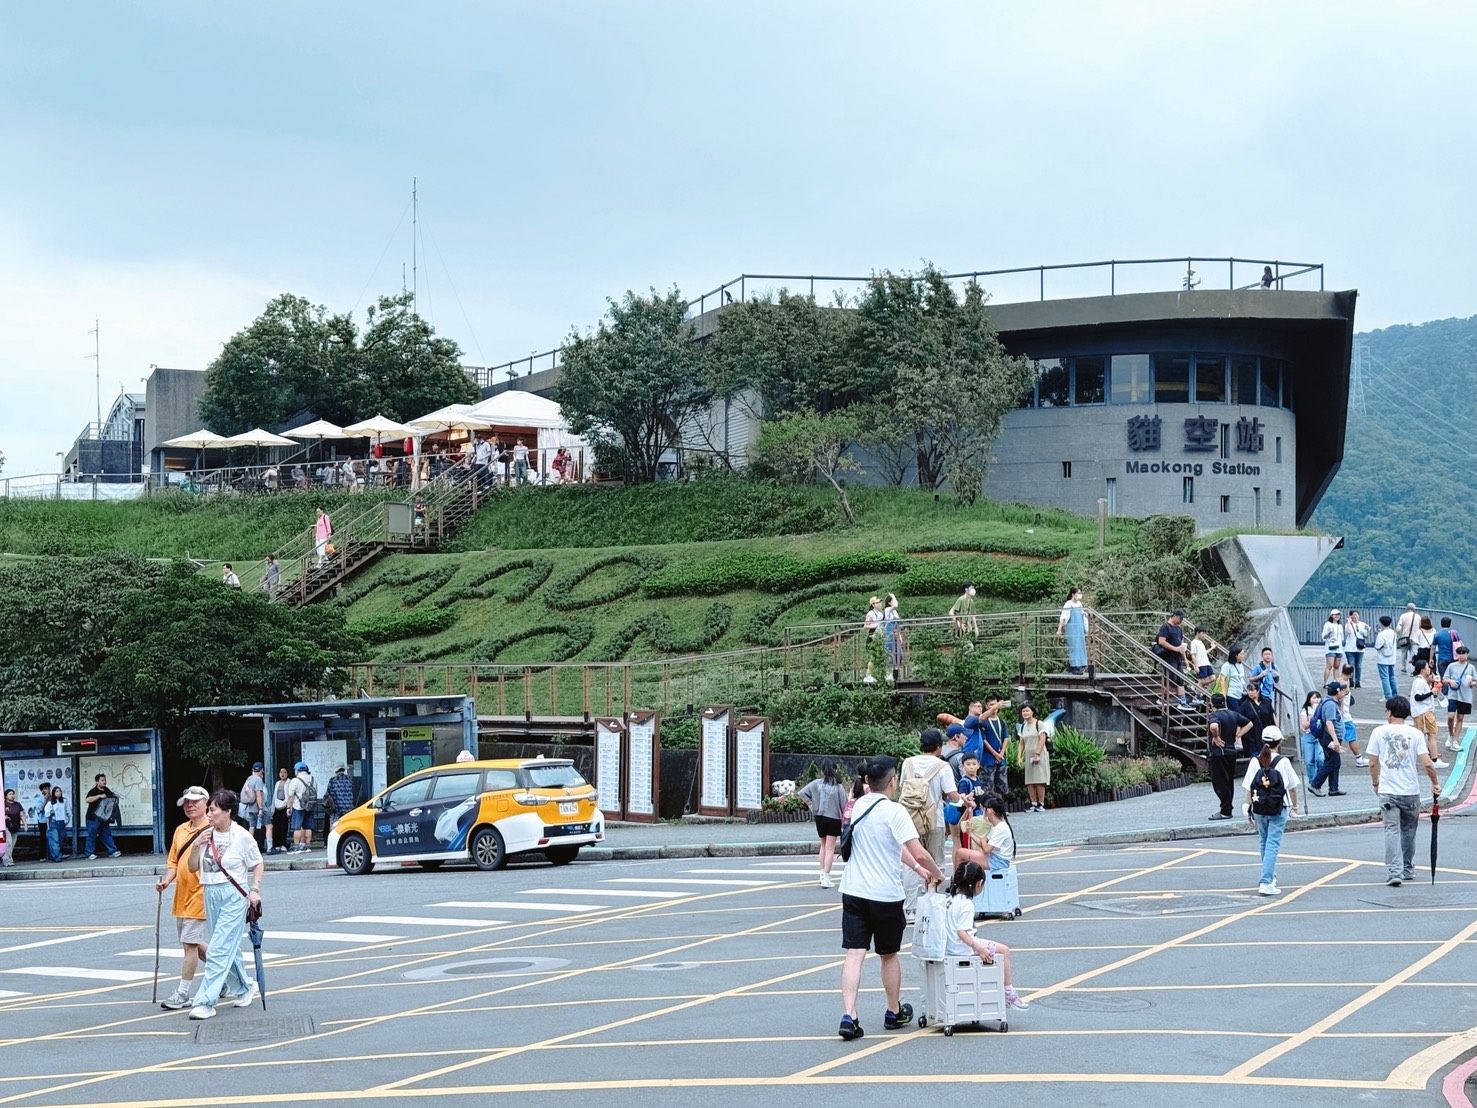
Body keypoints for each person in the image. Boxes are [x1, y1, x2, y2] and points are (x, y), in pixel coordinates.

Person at [836, 757, 946, 1041]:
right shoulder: (895, 811)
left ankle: (850, 1015)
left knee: (854, 953)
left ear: (867, 782)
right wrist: (935, 872)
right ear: (893, 782)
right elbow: (918, 849)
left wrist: (918, 869)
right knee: (888, 955)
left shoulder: (857, 806)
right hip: (884, 895)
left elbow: (892, 847)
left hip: (853, 891)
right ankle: (893, 1011)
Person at [185, 789, 264, 1020]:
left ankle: (205, 1001)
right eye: (208, 809)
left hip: (234, 894)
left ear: (227, 812)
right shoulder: (205, 835)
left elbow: (258, 863)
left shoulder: (241, 836)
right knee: (228, 946)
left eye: (212, 810)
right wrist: (196, 845)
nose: (208, 814)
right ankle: (244, 986)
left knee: (218, 948)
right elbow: (192, 867)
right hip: (210, 892)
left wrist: (255, 890)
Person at [1366, 695, 1440, 888]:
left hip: (1388, 790)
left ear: (1390, 713)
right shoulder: (1415, 734)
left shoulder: (1378, 732)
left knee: (1391, 829)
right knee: (1408, 831)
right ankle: (1407, 868)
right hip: (1410, 791)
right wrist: (1435, 784)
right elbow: (1427, 763)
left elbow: (1373, 763)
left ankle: (1394, 871)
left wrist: (1375, 783)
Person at [942, 860, 1029, 1011]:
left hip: (950, 946)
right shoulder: (967, 905)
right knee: (1004, 950)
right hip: (963, 948)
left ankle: (1008, 993)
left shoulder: (950, 900)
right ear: (979, 884)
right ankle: (1009, 992)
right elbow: (962, 932)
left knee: (995, 948)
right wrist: (980, 949)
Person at [155, 786, 213, 1010]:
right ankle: (227, 977)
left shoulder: (213, 829)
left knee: (189, 943)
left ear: (206, 803)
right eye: (186, 802)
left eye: (194, 802)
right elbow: (173, 861)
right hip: (182, 895)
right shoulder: (180, 830)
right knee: (194, 943)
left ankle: (182, 993)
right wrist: (167, 881)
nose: (189, 806)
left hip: (202, 893)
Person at [898, 730, 960, 920]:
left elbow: (903, 788)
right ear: (938, 747)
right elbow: (953, 796)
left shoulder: (908, 763)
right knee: (936, 862)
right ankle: (932, 902)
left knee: (911, 865)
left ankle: (909, 909)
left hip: (910, 821)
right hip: (935, 821)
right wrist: (963, 800)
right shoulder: (943, 766)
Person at [1243, 727, 1300, 896]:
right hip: (1278, 806)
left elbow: (1248, 787)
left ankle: (1270, 876)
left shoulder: (1255, 761)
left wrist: (1247, 808)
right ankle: (1266, 881)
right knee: (1272, 844)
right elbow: (1293, 788)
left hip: (1259, 807)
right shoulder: (1283, 762)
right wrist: (1294, 808)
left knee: (1264, 842)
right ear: (1279, 742)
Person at [798, 761, 847, 889]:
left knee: (823, 845)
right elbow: (844, 806)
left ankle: (822, 873)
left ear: (822, 771)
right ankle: (826, 875)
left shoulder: (816, 784)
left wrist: (810, 804)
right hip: (833, 818)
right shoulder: (838, 787)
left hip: (819, 816)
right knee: (830, 847)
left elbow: (801, 793)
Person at [1206, 694, 1252, 820]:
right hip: (1231, 751)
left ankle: (1225, 810)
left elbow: (1214, 726)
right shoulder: (1233, 714)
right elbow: (1249, 723)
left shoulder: (1214, 715)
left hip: (1219, 752)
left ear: (1212, 704)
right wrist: (1238, 735)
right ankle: (1227, 808)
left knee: (1220, 782)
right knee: (1228, 781)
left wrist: (1215, 736)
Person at [956, 795, 1016, 874]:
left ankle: (958, 882)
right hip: (995, 858)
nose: (983, 809)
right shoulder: (997, 825)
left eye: (985, 807)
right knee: (961, 853)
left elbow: (986, 849)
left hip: (999, 861)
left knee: (960, 853)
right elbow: (983, 841)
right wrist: (970, 833)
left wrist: (984, 842)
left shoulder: (1000, 828)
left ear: (990, 810)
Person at [1308, 682, 1348, 798]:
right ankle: (1315, 784)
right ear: (1337, 691)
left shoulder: (1329, 701)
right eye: (1341, 691)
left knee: (1335, 762)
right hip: (1329, 738)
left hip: (1330, 737)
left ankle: (1333, 788)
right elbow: (1329, 723)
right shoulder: (1330, 704)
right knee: (1331, 762)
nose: (1343, 693)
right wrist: (1335, 740)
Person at [968, 696, 1010, 798]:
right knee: (987, 785)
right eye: (992, 705)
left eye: (996, 704)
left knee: (1003, 785)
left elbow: (1006, 738)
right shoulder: (983, 721)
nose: (995, 707)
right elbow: (984, 740)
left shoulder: (1001, 721)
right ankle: (988, 807)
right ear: (986, 706)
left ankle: (1002, 808)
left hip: (1001, 758)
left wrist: (1001, 753)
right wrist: (995, 754)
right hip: (988, 759)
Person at [1409, 660, 1443, 767]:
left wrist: (1433, 691)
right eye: (1427, 667)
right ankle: (1434, 760)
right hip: (1423, 712)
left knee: (1427, 735)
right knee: (1431, 734)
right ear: (1422, 669)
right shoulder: (1419, 681)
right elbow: (1417, 697)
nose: (1429, 669)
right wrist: (1431, 692)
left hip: (1424, 712)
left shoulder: (1422, 681)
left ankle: (1430, 758)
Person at [1443, 645, 1476, 755]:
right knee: (1451, 716)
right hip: (1453, 694)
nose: (1462, 655)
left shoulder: (1471, 667)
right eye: (1460, 653)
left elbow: (1476, 680)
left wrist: (1472, 682)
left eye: (1464, 653)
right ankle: (1451, 734)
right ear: (1457, 654)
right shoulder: (1451, 666)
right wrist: (1450, 681)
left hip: (1466, 695)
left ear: (1467, 654)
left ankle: (1455, 740)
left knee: (1460, 717)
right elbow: (1444, 679)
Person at [1155, 610, 1191, 709]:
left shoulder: (1179, 629)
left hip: (1178, 657)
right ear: (1174, 616)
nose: (1181, 620)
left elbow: (1180, 644)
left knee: (1180, 679)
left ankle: (1182, 702)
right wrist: (1175, 649)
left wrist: (1185, 658)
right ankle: (1162, 698)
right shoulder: (1165, 627)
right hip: (1169, 657)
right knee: (1171, 680)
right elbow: (1161, 641)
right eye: (1180, 618)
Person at [1019, 704, 1051, 812]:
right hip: (1028, 755)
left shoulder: (1039, 724)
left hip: (1039, 754)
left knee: (1039, 780)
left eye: (1027, 711)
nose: (1025, 713)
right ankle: (1033, 803)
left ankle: (1041, 803)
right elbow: (1021, 743)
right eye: (1023, 711)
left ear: (1032, 712)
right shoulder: (1023, 726)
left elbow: (1042, 739)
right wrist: (1019, 757)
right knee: (1029, 780)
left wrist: (1037, 753)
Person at [83, 772, 122, 860]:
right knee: (91, 835)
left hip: (103, 818)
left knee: (106, 834)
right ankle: (89, 853)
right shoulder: (93, 791)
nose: (104, 782)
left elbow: (111, 796)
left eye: (105, 780)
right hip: (93, 817)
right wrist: (99, 796)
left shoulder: (106, 790)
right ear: (97, 782)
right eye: (102, 780)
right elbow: (88, 799)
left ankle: (113, 851)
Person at [1239, 679, 1276, 759]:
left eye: (1252, 690)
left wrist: (1276, 729)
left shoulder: (1266, 702)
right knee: (1255, 758)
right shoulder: (1245, 705)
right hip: (1252, 737)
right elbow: (1241, 721)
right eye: (1248, 690)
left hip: (1267, 735)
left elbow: (1272, 715)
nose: (1250, 693)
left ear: (1258, 691)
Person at [1057, 587, 1089, 673]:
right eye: (1078, 593)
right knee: (1074, 647)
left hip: (1079, 628)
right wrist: (1059, 629)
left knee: (1081, 646)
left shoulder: (1079, 604)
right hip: (1072, 628)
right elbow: (1063, 617)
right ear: (1073, 594)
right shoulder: (1068, 604)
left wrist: (1085, 614)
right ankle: (1073, 666)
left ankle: (1080, 665)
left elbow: (1082, 613)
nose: (1079, 595)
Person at [238, 762, 267, 853]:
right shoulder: (258, 780)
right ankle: (267, 847)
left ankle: (248, 847)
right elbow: (259, 794)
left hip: (249, 807)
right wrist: (261, 808)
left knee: (252, 827)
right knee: (268, 825)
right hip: (256, 807)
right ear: (262, 770)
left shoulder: (249, 779)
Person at [287, 761, 315, 852]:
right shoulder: (312, 779)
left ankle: (296, 847)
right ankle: (307, 846)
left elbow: (291, 796)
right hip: (310, 806)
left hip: (298, 807)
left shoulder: (295, 780)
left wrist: (288, 807)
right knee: (308, 827)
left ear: (297, 770)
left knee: (297, 827)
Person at [1299, 691, 1325, 787]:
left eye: (1318, 697)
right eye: (1314, 698)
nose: (1316, 700)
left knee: (1321, 759)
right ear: (1309, 700)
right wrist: (1314, 717)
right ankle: (1312, 780)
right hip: (1308, 736)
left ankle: (1318, 778)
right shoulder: (1305, 710)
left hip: (1319, 737)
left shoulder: (1322, 709)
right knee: (1309, 761)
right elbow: (1305, 725)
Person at [1188, 627, 1221, 697]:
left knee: (1213, 678)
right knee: (1202, 680)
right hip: (1201, 664)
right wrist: (1196, 666)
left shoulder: (1200, 642)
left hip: (1206, 663)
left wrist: (1212, 647)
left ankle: (1197, 686)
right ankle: (1197, 694)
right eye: (1203, 634)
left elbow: (1204, 653)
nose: (1204, 635)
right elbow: (1193, 655)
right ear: (1197, 633)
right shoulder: (1194, 642)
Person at [1374, 615, 1399, 700]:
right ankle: (1395, 693)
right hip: (1392, 658)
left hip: (1382, 659)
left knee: (1384, 677)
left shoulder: (1381, 634)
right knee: (1392, 676)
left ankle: (1387, 695)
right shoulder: (1393, 633)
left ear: (1381, 623)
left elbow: (1377, 646)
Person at [43, 785, 69, 862]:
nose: (59, 792)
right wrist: (48, 825)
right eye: (57, 791)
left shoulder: (64, 801)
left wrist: (67, 820)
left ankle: (55, 855)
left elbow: (68, 812)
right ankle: (57, 857)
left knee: (60, 840)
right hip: (53, 822)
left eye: (60, 791)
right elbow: (46, 814)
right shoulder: (51, 802)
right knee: (54, 840)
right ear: (53, 793)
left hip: (62, 822)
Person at [1345, 609, 1370, 689]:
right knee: (1351, 666)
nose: (1356, 616)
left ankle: (1358, 682)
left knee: (1358, 666)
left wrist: (1366, 630)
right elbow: (1348, 632)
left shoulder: (1363, 624)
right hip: (1350, 648)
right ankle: (1351, 682)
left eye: (1357, 614)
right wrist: (1349, 622)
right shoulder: (1348, 624)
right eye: (1354, 614)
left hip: (1360, 648)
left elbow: (1366, 636)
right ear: (1351, 616)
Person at [268, 766, 290, 854]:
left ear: (287, 774)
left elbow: (290, 795)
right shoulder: (277, 783)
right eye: (281, 772)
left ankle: (284, 844)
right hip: (276, 807)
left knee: (284, 826)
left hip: (285, 806)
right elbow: (274, 796)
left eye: (284, 772)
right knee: (276, 826)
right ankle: (277, 844)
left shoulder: (290, 782)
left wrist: (289, 806)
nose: (282, 774)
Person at [1219, 645, 1248, 711]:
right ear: (1236, 655)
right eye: (1242, 654)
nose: (1244, 655)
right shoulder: (1227, 665)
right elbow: (1222, 679)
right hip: (1232, 694)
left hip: (1241, 694)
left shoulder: (1240, 664)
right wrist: (1224, 694)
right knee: (1236, 715)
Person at [861, 596, 883, 684]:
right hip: (873, 636)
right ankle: (868, 675)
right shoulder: (871, 613)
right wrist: (876, 625)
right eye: (877, 603)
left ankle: (878, 674)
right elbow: (866, 625)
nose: (879, 604)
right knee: (873, 657)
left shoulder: (880, 613)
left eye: (879, 602)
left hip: (880, 635)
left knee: (880, 655)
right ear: (873, 604)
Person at [2, 788, 26, 867]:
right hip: (6, 827)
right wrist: (3, 817)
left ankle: (8, 858)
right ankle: (7, 861)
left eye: (13, 794)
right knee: (8, 843)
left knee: (12, 844)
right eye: (10, 794)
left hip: (15, 827)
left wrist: (25, 824)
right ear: (6, 796)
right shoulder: (3, 804)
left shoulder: (17, 804)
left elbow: (22, 815)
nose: (12, 796)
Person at [881, 593, 902, 680]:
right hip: (889, 633)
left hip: (895, 632)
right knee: (890, 652)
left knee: (898, 654)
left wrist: (899, 635)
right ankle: (888, 674)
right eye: (893, 600)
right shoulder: (887, 609)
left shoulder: (895, 612)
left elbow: (897, 625)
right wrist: (893, 596)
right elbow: (896, 605)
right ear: (889, 603)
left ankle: (895, 675)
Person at [1320, 608, 1344, 684]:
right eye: (1335, 614)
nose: (1337, 616)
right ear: (1332, 615)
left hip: (1339, 647)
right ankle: (1325, 682)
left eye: (1338, 614)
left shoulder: (1339, 626)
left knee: (1337, 666)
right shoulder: (1328, 624)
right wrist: (1329, 633)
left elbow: (1342, 638)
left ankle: (1336, 681)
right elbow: (1324, 636)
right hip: (1330, 647)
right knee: (1329, 665)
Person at [1395, 602, 1420, 672]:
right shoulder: (1418, 617)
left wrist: (1398, 633)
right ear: (1414, 609)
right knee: (1414, 654)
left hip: (1405, 638)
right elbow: (1420, 628)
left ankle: (1404, 667)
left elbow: (1398, 627)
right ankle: (1413, 669)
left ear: (1407, 608)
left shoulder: (1403, 616)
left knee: (1403, 653)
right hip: (1415, 639)